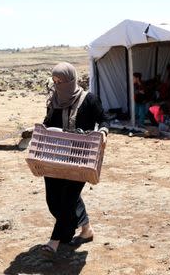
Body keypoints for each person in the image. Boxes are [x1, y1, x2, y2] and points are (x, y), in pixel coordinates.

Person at [40, 62, 109, 259]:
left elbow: (104, 119)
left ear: (70, 80)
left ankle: (55, 242)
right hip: (54, 156)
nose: (56, 85)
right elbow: (48, 122)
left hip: (80, 158)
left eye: (60, 81)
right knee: (53, 200)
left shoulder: (89, 99)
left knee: (68, 200)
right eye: (54, 81)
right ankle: (86, 230)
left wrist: (103, 132)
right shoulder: (54, 99)